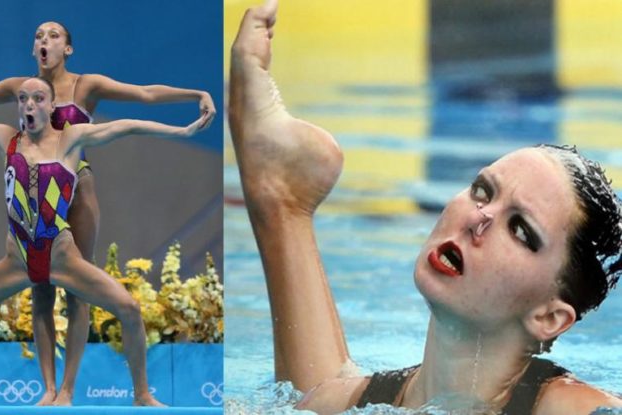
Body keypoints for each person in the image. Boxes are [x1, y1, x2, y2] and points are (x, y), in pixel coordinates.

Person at [228, 1, 622, 414]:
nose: (479, 218)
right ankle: (282, 204)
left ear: (549, 317)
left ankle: (281, 203)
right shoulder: (340, 401)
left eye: (521, 229)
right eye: (482, 191)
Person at [0, 21, 215, 406]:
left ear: (68, 49)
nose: (45, 41)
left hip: (74, 199)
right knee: (18, 298)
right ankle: (25, 389)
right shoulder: (9, 124)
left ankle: (87, 391)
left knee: (92, 298)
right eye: (38, 37)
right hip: (22, 253)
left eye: (54, 36)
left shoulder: (79, 111)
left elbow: (136, 112)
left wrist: (189, 110)